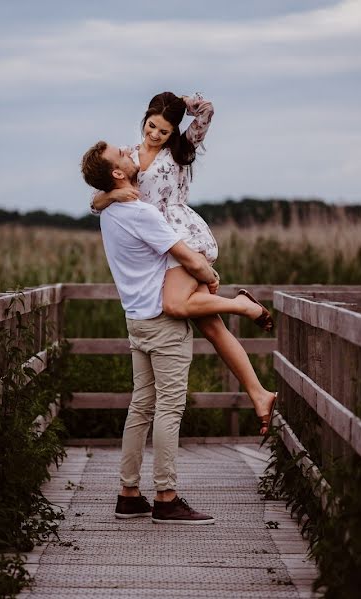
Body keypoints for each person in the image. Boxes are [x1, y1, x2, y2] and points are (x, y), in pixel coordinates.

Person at [91, 91, 277, 434]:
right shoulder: (128, 156)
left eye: (163, 130)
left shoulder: (179, 150)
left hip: (185, 239)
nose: (155, 135)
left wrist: (187, 103)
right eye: (152, 126)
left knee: (175, 305)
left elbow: (207, 112)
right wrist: (115, 194)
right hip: (160, 248)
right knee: (211, 327)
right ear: (144, 119)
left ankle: (242, 305)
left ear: (173, 131)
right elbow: (96, 199)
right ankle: (259, 393)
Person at [81, 139, 216, 524]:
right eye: (121, 155)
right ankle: (166, 497)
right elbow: (187, 255)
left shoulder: (110, 213)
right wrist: (211, 276)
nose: (129, 149)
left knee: (141, 406)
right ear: (118, 174)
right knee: (169, 408)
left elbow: (100, 199)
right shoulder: (139, 213)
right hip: (161, 319)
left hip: (136, 319)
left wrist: (107, 197)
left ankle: (129, 493)